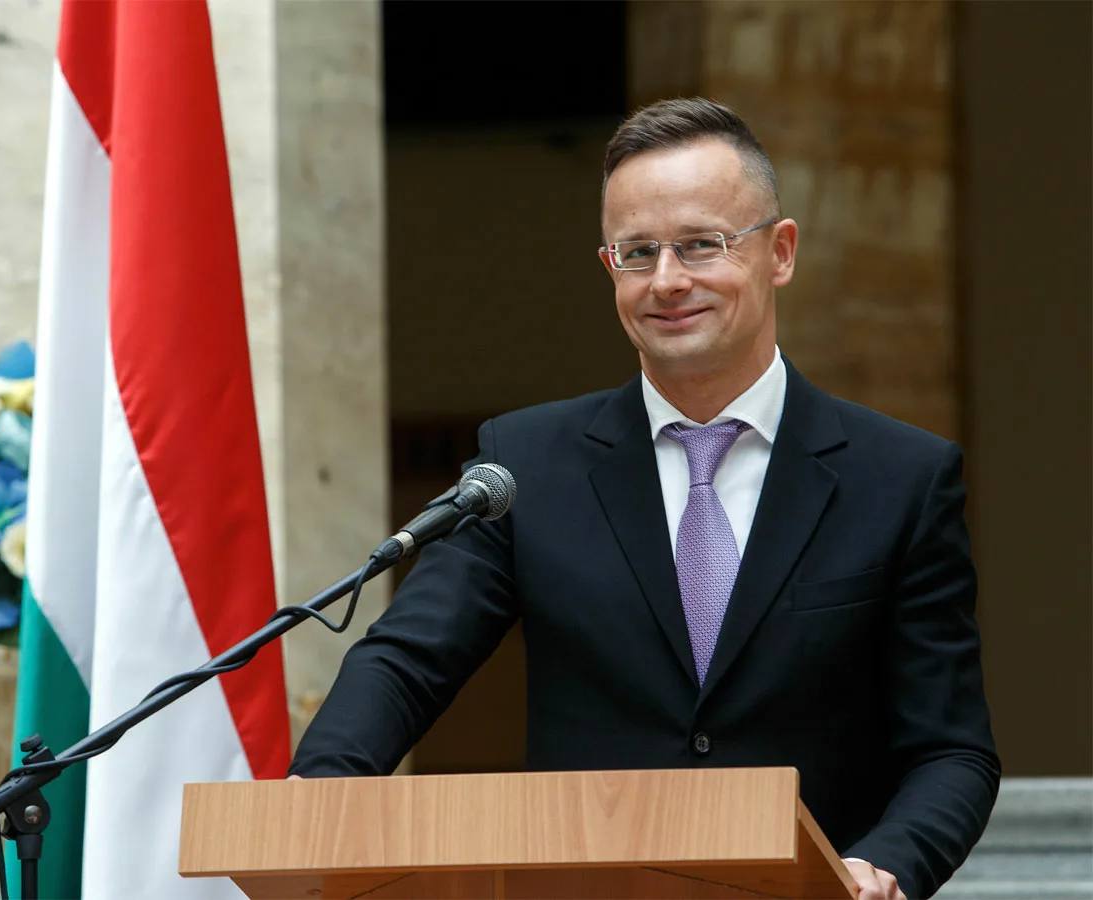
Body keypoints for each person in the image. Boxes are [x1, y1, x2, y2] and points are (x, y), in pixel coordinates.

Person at [289, 98, 999, 900]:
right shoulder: (525, 466)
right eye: (638, 253)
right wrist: (323, 795)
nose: (668, 281)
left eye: (701, 244)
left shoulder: (900, 477)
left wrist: (885, 864)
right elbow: (409, 661)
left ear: (780, 252)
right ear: (609, 269)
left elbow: (952, 752)